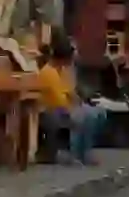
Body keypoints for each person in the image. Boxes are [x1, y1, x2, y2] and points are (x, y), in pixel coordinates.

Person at [37, 34, 107, 165]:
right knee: (82, 116)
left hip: (66, 106)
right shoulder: (48, 73)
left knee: (97, 113)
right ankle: (75, 154)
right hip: (52, 111)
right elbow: (59, 100)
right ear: (63, 58)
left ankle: (86, 152)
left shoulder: (62, 70)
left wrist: (77, 101)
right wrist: (75, 104)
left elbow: (70, 92)